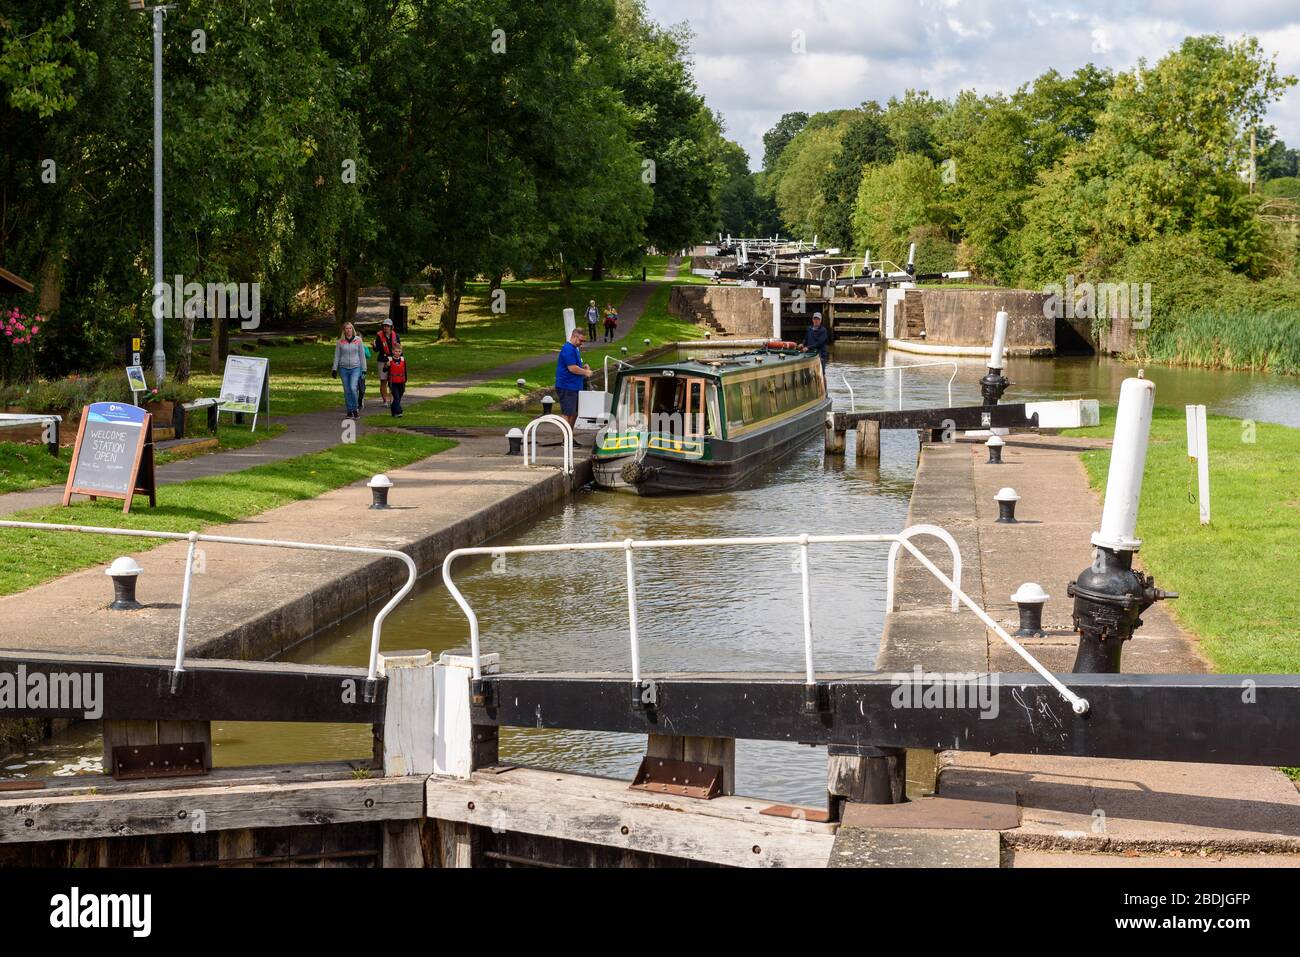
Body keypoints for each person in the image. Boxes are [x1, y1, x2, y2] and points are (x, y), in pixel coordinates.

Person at [555, 328, 593, 443]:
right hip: (566, 386)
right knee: (567, 413)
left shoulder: (575, 349)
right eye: (581, 340)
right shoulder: (567, 349)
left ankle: (569, 436)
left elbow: (576, 366)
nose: (582, 343)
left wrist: (583, 367)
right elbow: (572, 368)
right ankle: (565, 439)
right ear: (575, 337)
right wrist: (585, 372)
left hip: (575, 386)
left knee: (574, 413)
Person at [331, 321, 368, 418]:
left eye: (350, 328)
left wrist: (364, 369)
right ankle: (349, 410)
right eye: (346, 328)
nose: (349, 330)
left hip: (356, 368)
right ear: (344, 330)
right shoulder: (340, 342)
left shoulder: (358, 340)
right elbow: (337, 356)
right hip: (343, 369)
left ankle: (355, 409)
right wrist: (334, 369)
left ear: (353, 329)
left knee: (353, 388)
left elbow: (362, 355)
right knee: (347, 390)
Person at [374, 317, 401, 407]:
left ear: (391, 327)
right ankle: (385, 400)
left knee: (393, 381)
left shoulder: (396, 336)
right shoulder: (379, 336)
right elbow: (376, 349)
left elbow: (399, 348)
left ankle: (392, 399)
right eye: (384, 326)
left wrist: (400, 358)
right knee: (383, 380)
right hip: (382, 360)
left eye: (388, 326)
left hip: (393, 360)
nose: (386, 328)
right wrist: (374, 346)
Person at [386, 342, 408, 417]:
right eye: (396, 351)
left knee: (398, 398)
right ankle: (399, 412)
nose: (397, 353)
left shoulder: (403, 359)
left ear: (401, 351)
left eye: (399, 351)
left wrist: (405, 380)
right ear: (392, 351)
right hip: (393, 382)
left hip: (401, 382)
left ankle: (393, 410)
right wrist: (386, 365)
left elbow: (405, 371)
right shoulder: (390, 360)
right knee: (396, 397)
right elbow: (384, 370)